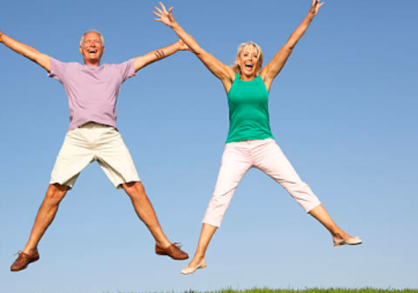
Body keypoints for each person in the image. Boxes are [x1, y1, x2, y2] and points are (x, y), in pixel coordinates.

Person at [153, 0, 362, 275]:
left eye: (254, 55)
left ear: (259, 61)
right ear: (238, 60)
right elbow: (199, 51)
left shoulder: (266, 77)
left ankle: (336, 232)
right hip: (236, 148)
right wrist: (174, 25)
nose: (249, 58)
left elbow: (289, 45)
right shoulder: (228, 78)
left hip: (265, 145)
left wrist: (310, 15)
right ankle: (200, 256)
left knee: (297, 186)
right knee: (219, 198)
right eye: (245, 55)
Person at [0, 20, 189, 272]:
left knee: (136, 188)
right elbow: (32, 54)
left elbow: (148, 58)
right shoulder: (67, 70)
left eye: (97, 42)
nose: (92, 44)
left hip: (108, 136)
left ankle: (162, 243)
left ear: (103, 50)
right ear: (80, 49)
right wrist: (3, 38)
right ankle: (29, 250)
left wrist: (176, 45)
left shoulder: (116, 70)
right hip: (77, 137)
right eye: (88, 41)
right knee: (54, 193)